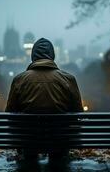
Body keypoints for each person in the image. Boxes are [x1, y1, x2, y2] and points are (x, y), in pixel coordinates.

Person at [5, 38, 82, 168]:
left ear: (33, 56)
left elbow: (10, 113)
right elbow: (78, 112)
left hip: (28, 140)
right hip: (60, 140)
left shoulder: (19, 80)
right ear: (52, 56)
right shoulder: (68, 79)